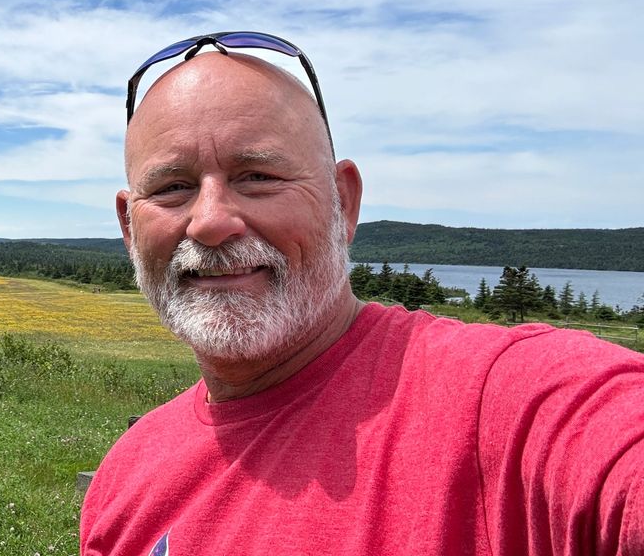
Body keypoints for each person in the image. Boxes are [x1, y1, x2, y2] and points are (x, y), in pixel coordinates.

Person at [79, 32, 644, 556]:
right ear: (130, 227)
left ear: (343, 203)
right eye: (173, 187)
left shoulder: (505, 400)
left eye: (258, 176)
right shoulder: (126, 477)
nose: (211, 221)